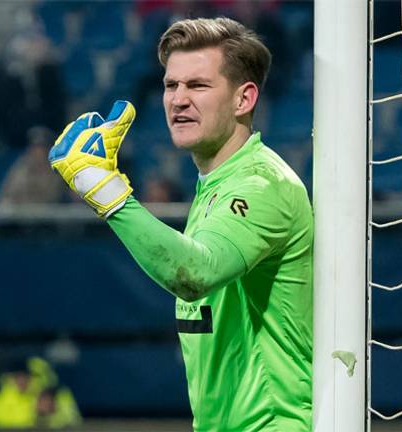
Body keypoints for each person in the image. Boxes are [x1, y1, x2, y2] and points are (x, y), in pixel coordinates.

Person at [47, 17, 313, 431]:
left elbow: (194, 273)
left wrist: (103, 189)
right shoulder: (215, 186)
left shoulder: (263, 184)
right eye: (172, 85)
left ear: (244, 99)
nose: (178, 100)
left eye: (198, 86)